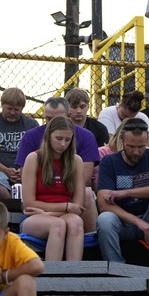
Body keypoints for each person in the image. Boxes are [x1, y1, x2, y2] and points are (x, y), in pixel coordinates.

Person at [96, 118, 149, 270]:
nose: (136, 152)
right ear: (121, 140)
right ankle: (116, 268)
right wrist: (138, 222)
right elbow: (103, 204)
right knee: (104, 219)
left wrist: (126, 192)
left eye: (141, 146)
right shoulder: (109, 161)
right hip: (124, 222)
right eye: (131, 146)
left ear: (148, 139)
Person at [15, 97, 99, 233]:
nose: (51, 123)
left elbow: (86, 177)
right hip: (45, 196)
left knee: (87, 193)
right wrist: (64, 207)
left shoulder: (86, 136)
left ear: (68, 116)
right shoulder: (31, 136)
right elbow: (26, 178)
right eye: (48, 119)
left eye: (57, 118)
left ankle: (89, 240)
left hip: (69, 192)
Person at [21, 116, 86, 261]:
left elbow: (78, 207)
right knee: (58, 225)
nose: (63, 144)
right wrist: (67, 206)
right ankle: (52, 277)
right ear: (48, 135)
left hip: (50, 214)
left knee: (76, 222)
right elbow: (29, 205)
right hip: (34, 218)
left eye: (67, 140)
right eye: (59, 138)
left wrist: (48, 212)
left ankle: (74, 274)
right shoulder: (34, 158)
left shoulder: (76, 161)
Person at [0, 88, 39, 199]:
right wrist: (6, 170)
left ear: (22, 108)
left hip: (26, 168)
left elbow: (38, 151)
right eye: (9, 109)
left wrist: (24, 170)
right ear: (2, 105)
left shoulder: (31, 124)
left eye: (16, 110)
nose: (12, 113)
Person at [0, 202, 44, 295]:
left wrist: (5, 276)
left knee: (26, 282)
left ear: (6, 232)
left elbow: (37, 266)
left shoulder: (11, 240)